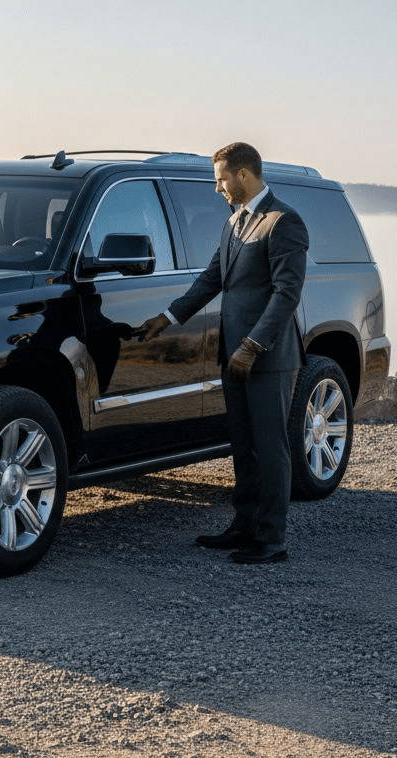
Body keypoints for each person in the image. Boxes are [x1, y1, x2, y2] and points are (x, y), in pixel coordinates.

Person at [135, 142, 308, 564]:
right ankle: (243, 526)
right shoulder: (234, 224)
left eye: (221, 179)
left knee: (271, 450)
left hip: (266, 358)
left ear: (244, 174)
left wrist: (252, 347)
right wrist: (168, 317)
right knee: (243, 446)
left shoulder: (283, 222)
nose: (217, 189)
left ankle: (271, 539)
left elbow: (286, 296)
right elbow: (211, 280)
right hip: (233, 356)